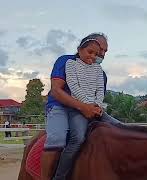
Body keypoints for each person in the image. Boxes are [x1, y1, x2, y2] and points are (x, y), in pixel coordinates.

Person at [41, 33, 121, 180]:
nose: (101, 54)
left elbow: (99, 93)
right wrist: (84, 107)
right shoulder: (66, 61)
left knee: (120, 129)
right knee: (57, 138)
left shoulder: (100, 73)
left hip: (88, 107)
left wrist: (96, 107)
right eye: (99, 49)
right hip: (60, 106)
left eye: (104, 51)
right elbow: (56, 91)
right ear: (83, 46)